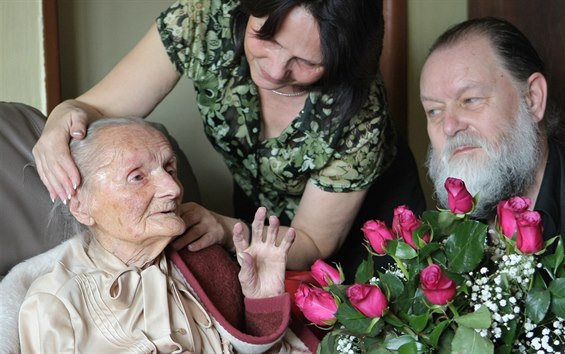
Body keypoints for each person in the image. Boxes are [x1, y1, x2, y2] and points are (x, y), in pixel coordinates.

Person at [32, 0, 425, 278]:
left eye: (305, 62)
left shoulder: (359, 113)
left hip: (367, 224)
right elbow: (96, 109)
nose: (273, 71)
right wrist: (63, 115)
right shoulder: (204, 20)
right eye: (265, 39)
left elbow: (310, 242)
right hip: (257, 213)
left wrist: (224, 228)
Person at [419, 17, 565, 352]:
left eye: (470, 100)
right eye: (433, 111)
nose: (449, 126)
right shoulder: (439, 246)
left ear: (532, 98)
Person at [19, 117, 307, 353]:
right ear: (81, 206)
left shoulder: (204, 260)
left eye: (170, 169)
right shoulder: (56, 304)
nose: (173, 188)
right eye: (137, 177)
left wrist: (263, 302)